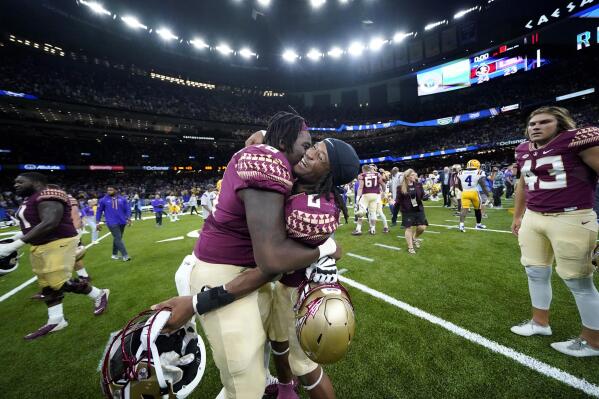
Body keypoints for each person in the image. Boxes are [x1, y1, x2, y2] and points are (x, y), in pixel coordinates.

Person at [151, 112, 347, 399]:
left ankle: (279, 386)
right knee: (247, 386)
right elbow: (271, 261)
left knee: (256, 364)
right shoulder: (270, 162)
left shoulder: (275, 158)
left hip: (239, 272)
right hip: (222, 271)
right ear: (283, 141)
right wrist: (325, 248)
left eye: (314, 151)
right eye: (306, 146)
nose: (307, 154)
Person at [510, 106, 599, 357]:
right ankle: (540, 323)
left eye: (544, 122)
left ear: (560, 124)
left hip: (572, 216)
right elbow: (523, 183)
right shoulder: (523, 150)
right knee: (535, 271)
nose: (535, 127)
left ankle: (593, 341)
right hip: (534, 217)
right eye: (532, 123)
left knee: (579, 281)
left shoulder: (576, 140)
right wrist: (518, 215)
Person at [0, 173, 109, 340]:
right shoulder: (30, 198)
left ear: (36, 182)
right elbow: (31, 225)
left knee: (58, 282)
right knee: (46, 285)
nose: (15, 184)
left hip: (59, 241)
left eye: (20, 181)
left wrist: (14, 246)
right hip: (39, 244)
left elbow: (50, 222)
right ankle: (56, 319)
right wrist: (12, 239)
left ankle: (99, 294)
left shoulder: (49, 194)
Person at [395, 169, 428, 254]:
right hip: (407, 210)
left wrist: (426, 196)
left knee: (422, 227)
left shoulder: (418, 185)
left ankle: (415, 237)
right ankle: (410, 247)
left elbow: (422, 196)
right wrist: (395, 212)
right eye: (413, 175)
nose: (415, 176)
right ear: (407, 177)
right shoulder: (400, 187)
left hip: (418, 209)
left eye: (414, 175)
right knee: (409, 228)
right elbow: (398, 201)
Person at [96, 186, 131, 262]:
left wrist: (128, 217)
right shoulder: (103, 200)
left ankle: (114, 255)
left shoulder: (122, 199)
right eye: (108, 190)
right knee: (118, 237)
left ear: (116, 190)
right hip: (111, 222)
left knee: (117, 238)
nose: (109, 191)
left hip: (122, 221)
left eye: (111, 190)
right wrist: (97, 222)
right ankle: (125, 255)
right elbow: (99, 211)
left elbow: (127, 208)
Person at [353, 165, 387, 235]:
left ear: (363, 170)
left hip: (366, 195)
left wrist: (357, 198)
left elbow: (360, 187)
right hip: (375, 195)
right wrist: (384, 192)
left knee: (361, 212)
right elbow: (383, 184)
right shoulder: (377, 174)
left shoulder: (362, 175)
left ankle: (358, 229)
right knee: (373, 213)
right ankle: (373, 229)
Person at [457, 159, 490, 232]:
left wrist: (462, 190)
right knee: (478, 209)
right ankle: (478, 224)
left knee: (464, 209)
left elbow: (458, 184)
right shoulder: (480, 172)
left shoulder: (461, 172)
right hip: (474, 192)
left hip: (465, 192)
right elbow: (483, 185)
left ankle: (461, 225)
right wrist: (488, 195)